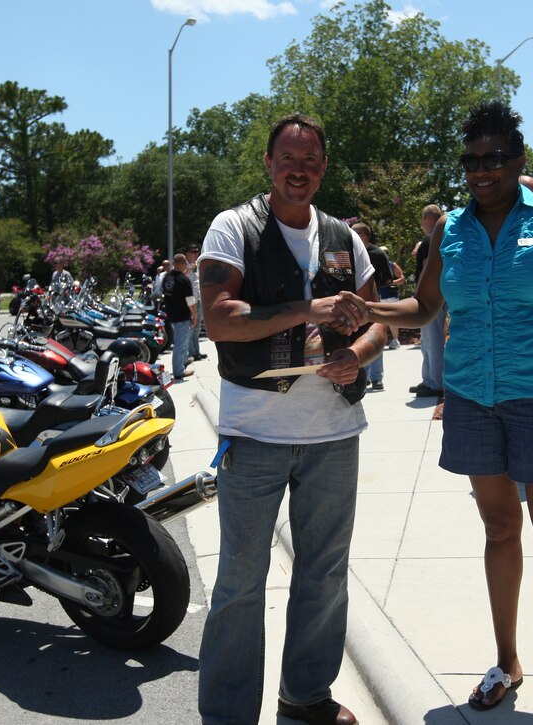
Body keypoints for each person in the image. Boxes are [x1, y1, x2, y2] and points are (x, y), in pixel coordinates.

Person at [340, 101, 533, 724]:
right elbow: (423, 309)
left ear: (518, 160)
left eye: (494, 159)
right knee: (500, 532)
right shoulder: (449, 229)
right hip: (473, 398)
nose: (481, 172)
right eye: (471, 161)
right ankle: (507, 660)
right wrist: (366, 310)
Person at [197, 113, 384, 725]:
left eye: (309, 160)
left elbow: (381, 317)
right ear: (269, 165)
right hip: (255, 434)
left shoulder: (343, 237)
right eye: (287, 158)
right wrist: (310, 308)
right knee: (240, 583)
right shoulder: (234, 228)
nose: (297, 170)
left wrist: (355, 355)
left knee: (324, 577)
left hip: (333, 435)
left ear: (323, 168)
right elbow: (219, 319)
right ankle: (227, 714)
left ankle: (305, 699)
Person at [410, 203, 446, 397]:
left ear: (425, 219)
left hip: (431, 297)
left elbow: (427, 270)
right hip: (446, 293)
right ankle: (430, 379)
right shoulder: (446, 237)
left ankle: (435, 382)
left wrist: (419, 297)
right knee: (433, 339)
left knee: (432, 340)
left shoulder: (429, 240)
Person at [352, 222, 389, 390]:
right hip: (352, 301)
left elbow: (388, 277)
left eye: (354, 233)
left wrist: (370, 285)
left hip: (373, 301)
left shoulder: (378, 254)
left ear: (363, 235)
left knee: (374, 334)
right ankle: (363, 376)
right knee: (357, 338)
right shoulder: (349, 250)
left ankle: (377, 377)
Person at [161, 254, 196, 380]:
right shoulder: (183, 280)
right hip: (182, 315)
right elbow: (190, 301)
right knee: (180, 343)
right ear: (182, 263)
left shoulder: (167, 277)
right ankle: (178, 371)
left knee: (181, 341)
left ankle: (183, 361)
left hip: (171, 314)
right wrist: (195, 315)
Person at [185, 246, 208, 362]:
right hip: (189, 300)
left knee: (197, 326)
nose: (196, 254)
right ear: (187, 253)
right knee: (191, 326)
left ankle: (196, 351)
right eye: (193, 252)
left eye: (197, 252)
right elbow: (180, 277)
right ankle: (190, 352)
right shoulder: (183, 264)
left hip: (198, 299)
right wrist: (188, 269)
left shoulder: (197, 265)